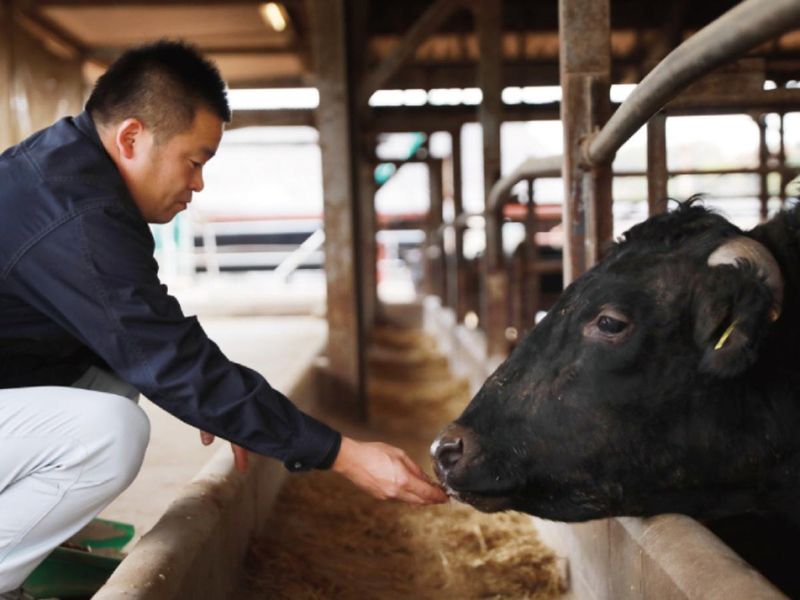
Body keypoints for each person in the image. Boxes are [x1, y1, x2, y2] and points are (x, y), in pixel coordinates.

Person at [0, 40, 447, 598]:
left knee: (117, 383)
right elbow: (166, 356)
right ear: (132, 137)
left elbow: (151, 337)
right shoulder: (78, 213)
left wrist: (227, 406)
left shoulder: (69, 179)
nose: (199, 184)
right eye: (195, 160)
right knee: (107, 433)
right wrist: (345, 455)